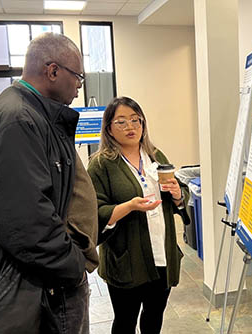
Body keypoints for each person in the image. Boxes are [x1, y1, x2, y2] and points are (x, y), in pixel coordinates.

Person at [0, 32, 97, 333]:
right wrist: (74, 265)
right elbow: (28, 224)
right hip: (23, 287)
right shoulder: (18, 120)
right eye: (78, 77)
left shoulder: (36, 116)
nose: (79, 87)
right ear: (53, 71)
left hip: (39, 280)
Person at [87, 96, 186, 334]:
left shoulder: (155, 156)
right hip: (126, 259)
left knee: (154, 317)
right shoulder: (100, 165)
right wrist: (129, 206)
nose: (131, 127)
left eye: (135, 120)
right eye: (121, 122)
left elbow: (177, 196)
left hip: (162, 254)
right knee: (125, 321)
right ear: (109, 129)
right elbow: (94, 213)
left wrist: (177, 194)